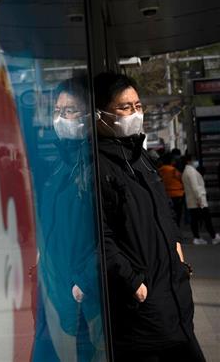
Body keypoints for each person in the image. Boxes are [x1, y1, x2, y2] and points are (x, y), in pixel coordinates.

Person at [93, 72, 205, 361]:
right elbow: (98, 236)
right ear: (99, 114)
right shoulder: (96, 166)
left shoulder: (141, 158)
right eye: (124, 107)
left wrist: (178, 254)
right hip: (141, 312)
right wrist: (134, 284)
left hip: (174, 299)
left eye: (138, 105)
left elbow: (165, 211)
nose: (135, 113)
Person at [32, 76, 104, 362]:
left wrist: (83, 283)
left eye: (70, 110)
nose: (61, 118)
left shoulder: (95, 166)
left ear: (90, 115)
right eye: (57, 111)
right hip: (56, 296)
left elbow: (111, 235)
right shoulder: (61, 166)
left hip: (85, 303)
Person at [181, 154, 220, 245]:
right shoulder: (191, 171)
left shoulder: (186, 171)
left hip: (193, 201)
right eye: (194, 160)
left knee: (195, 219)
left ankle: (198, 237)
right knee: (206, 219)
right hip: (198, 201)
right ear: (189, 161)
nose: (196, 162)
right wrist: (199, 200)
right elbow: (195, 187)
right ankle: (213, 237)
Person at [158, 153, 185, 226]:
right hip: (177, 194)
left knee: (170, 212)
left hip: (166, 194)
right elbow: (181, 180)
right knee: (178, 212)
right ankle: (177, 226)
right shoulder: (174, 170)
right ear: (171, 161)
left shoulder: (160, 170)